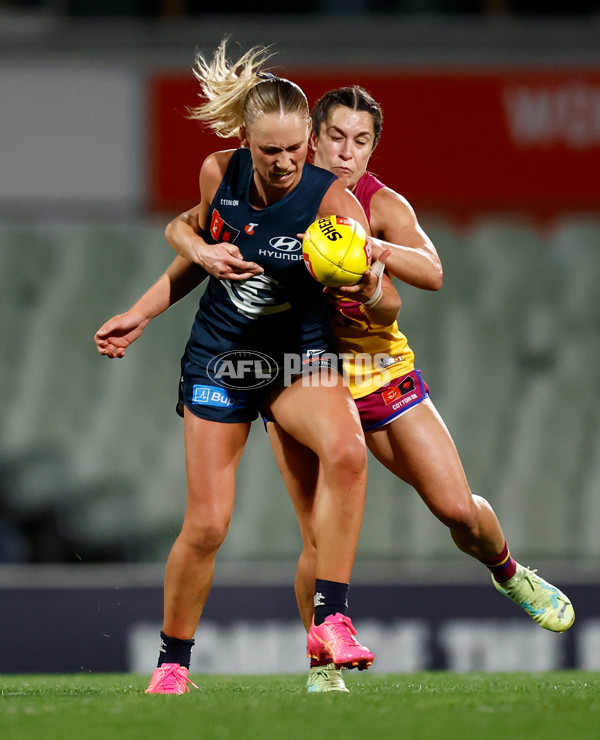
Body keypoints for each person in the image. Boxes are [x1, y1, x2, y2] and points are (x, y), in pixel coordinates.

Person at [267, 85, 575, 693]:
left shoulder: (381, 205)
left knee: (458, 510)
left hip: (379, 371)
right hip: (305, 375)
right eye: (335, 137)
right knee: (316, 535)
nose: (347, 153)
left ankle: (509, 571)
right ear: (312, 134)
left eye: (361, 141)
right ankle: (322, 669)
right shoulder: (278, 194)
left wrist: (370, 262)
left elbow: (428, 272)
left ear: (372, 147)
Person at [94, 46, 384, 694]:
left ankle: (331, 620)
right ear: (245, 142)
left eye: (293, 150)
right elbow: (190, 238)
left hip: (297, 357)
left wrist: (362, 280)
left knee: (347, 453)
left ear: (309, 141)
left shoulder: (333, 200)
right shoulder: (217, 174)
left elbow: (379, 293)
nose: (283, 164)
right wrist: (142, 312)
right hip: (223, 356)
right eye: (268, 151)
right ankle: (173, 663)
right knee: (207, 524)